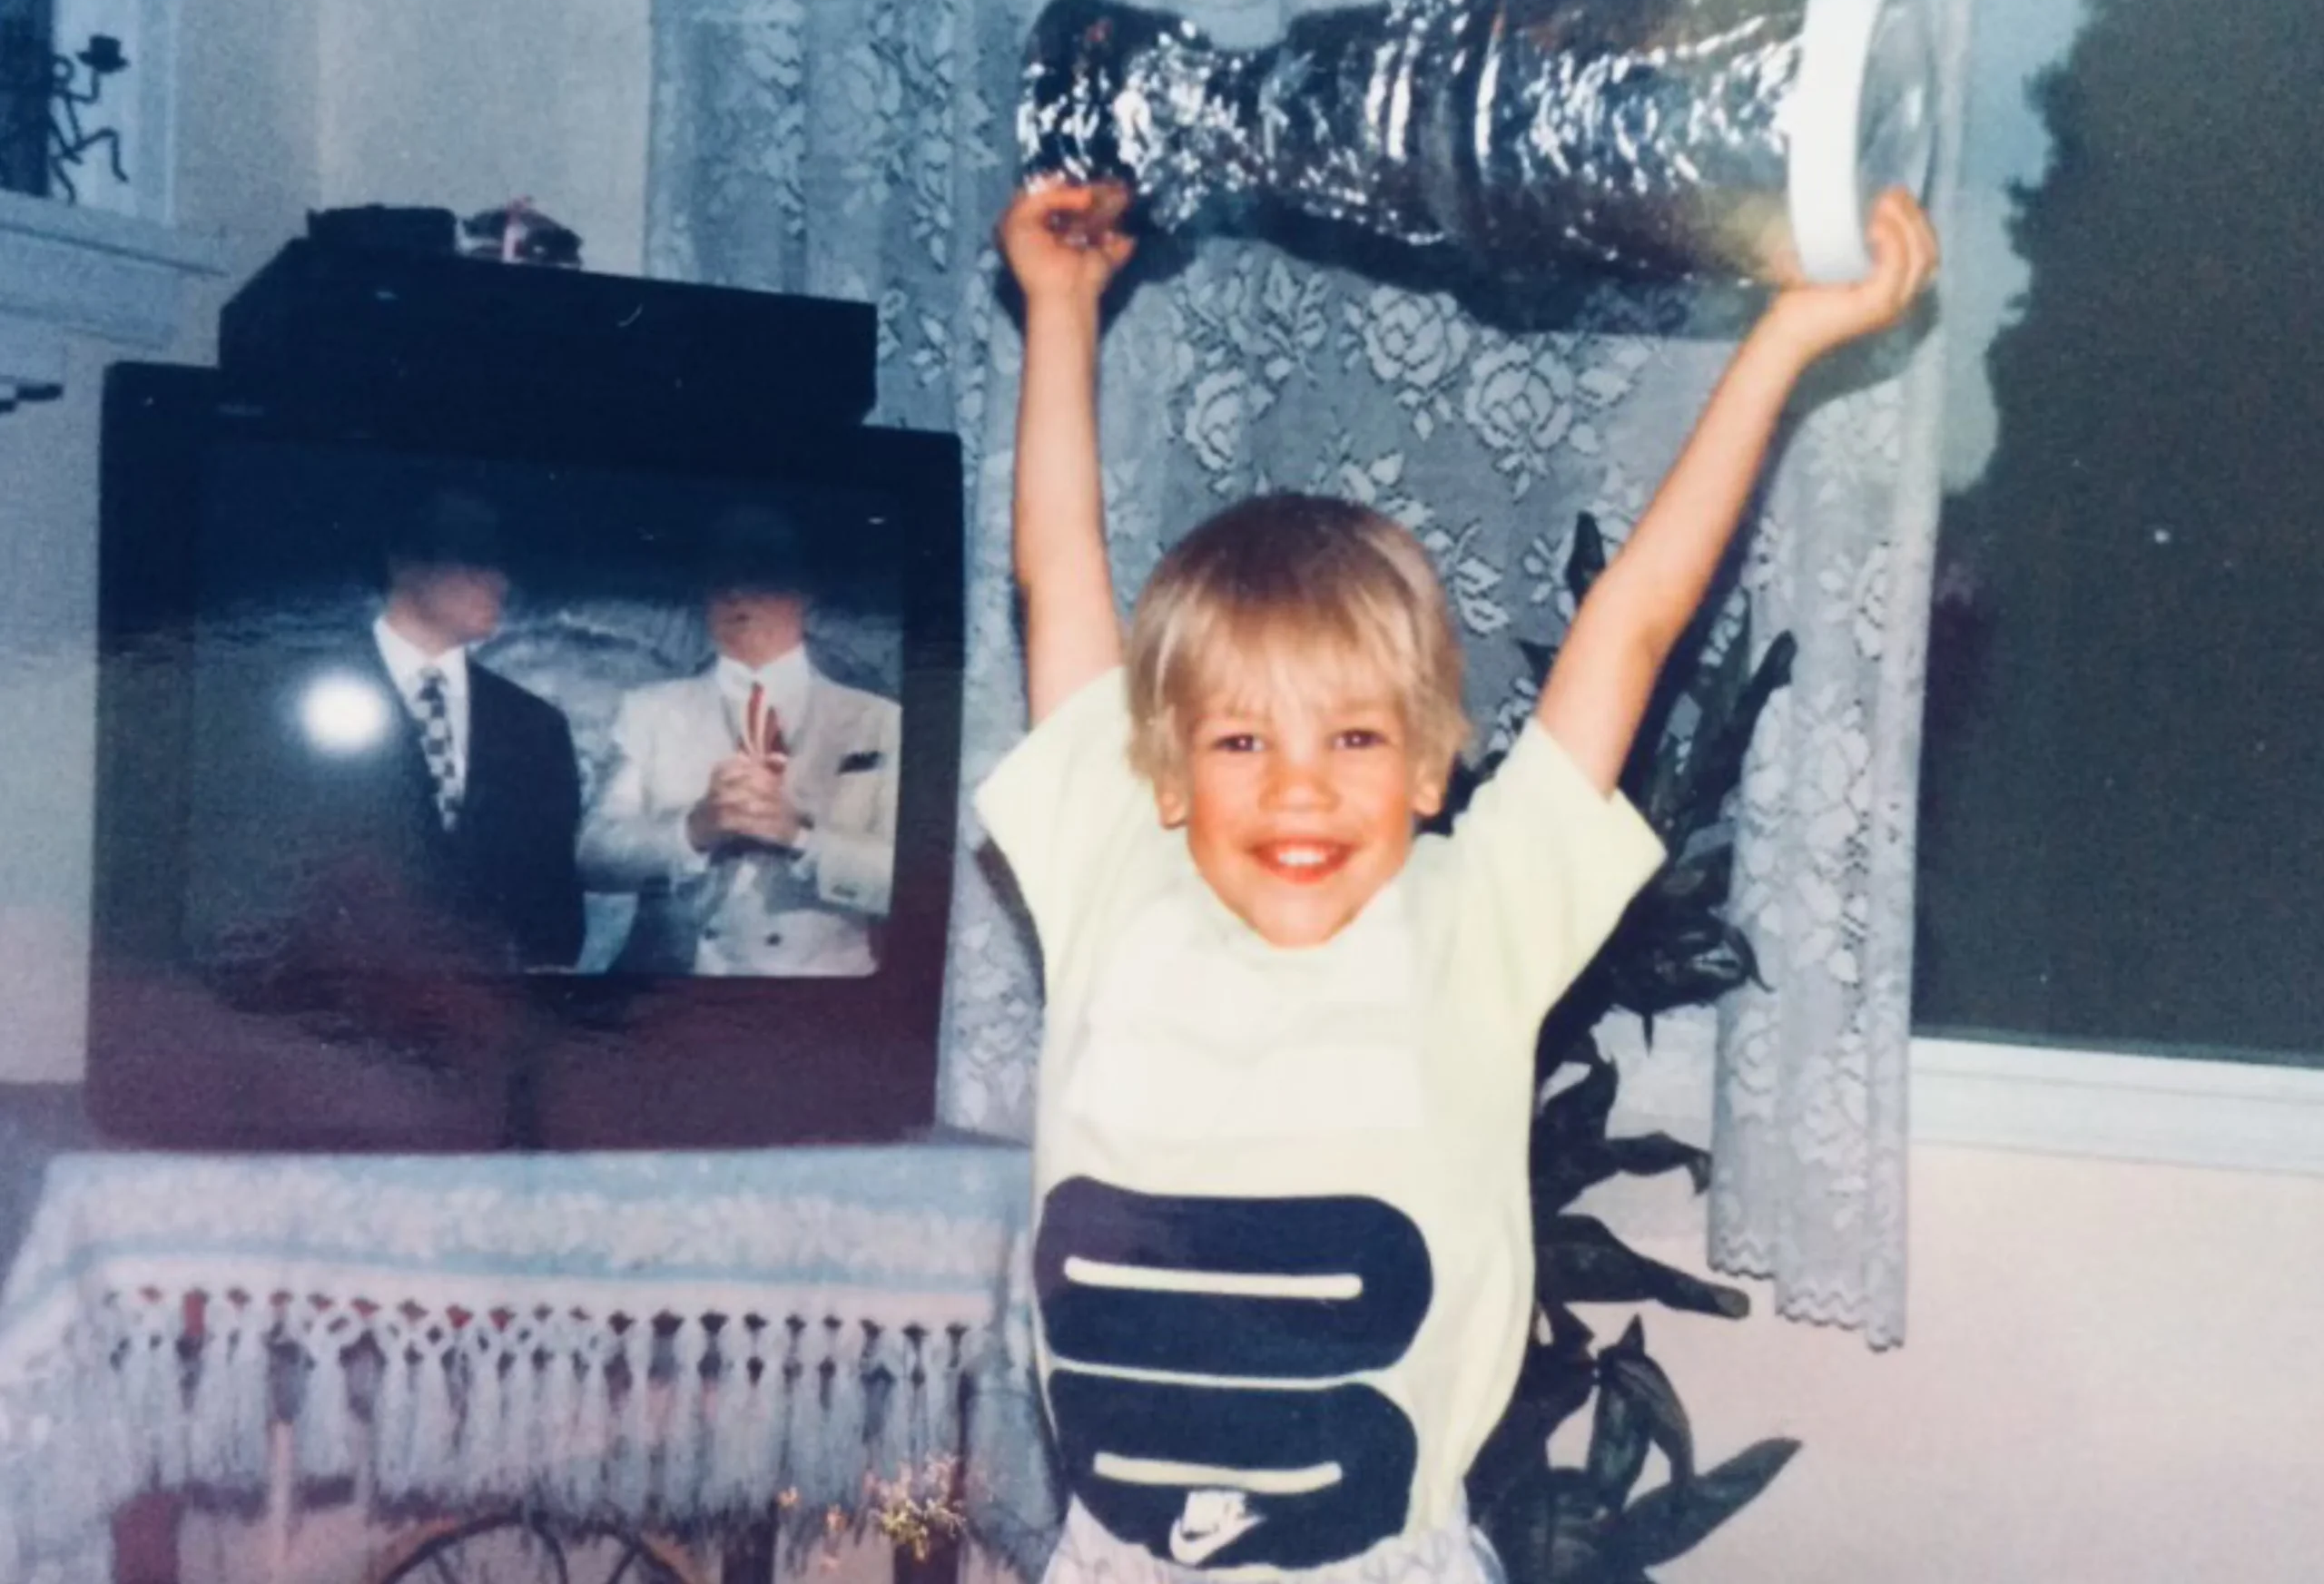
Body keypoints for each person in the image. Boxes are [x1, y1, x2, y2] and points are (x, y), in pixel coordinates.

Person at [980, 177, 1937, 1580]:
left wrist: (1786, 339)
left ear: (1431, 769)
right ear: (1166, 771)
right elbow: (1059, 577)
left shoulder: (1480, 919)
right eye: (1242, 739)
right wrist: (1062, 313)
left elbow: (1638, 622)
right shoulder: (1108, 872)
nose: (1300, 786)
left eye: (1355, 736)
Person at [187, 487, 586, 978]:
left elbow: (555, 915)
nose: (499, 581)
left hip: (491, 1025)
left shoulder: (536, 725)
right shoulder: (284, 700)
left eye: (501, 564)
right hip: (328, 1017)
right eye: (474, 559)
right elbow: (246, 875)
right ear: (404, 562)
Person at [579, 508, 901, 977]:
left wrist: (802, 838)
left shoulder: (879, 721)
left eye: (760, 572)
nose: (735, 592)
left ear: (806, 591)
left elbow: (912, 880)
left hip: (823, 1001)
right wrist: (691, 831)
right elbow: (594, 854)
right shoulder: (647, 710)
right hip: (671, 998)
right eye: (719, 576)